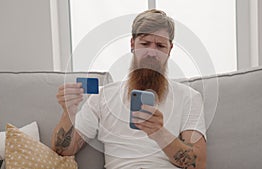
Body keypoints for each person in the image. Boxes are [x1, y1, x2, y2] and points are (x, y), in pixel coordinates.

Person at [52, 9, 206, 169]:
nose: (152, 52)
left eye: (160, 46)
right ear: (132, 44)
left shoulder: (189, 97)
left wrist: (159, 133)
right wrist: (68, 113)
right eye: (145, 44)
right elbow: (63, 150)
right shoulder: (103, 97)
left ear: (170, 50)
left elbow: (199, 164)